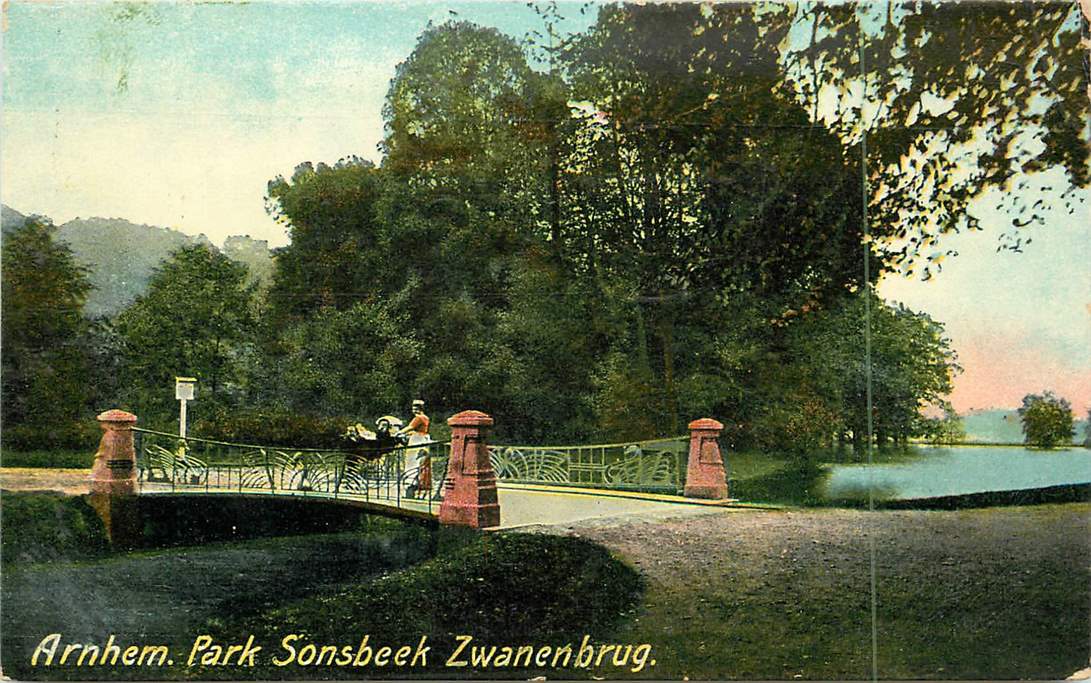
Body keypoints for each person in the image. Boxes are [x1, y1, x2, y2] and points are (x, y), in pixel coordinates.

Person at [396, 399, 431, 498]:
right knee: (420, 462)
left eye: (416, 409)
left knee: (412, 462)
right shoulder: (426, 418)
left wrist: (398, 433)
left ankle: (411, 486)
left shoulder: (419, 418)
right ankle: (417, 487)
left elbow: (410, 427)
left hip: (417, 440)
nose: (415, 411)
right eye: (414, 409)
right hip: (423, 439)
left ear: (420, 409)